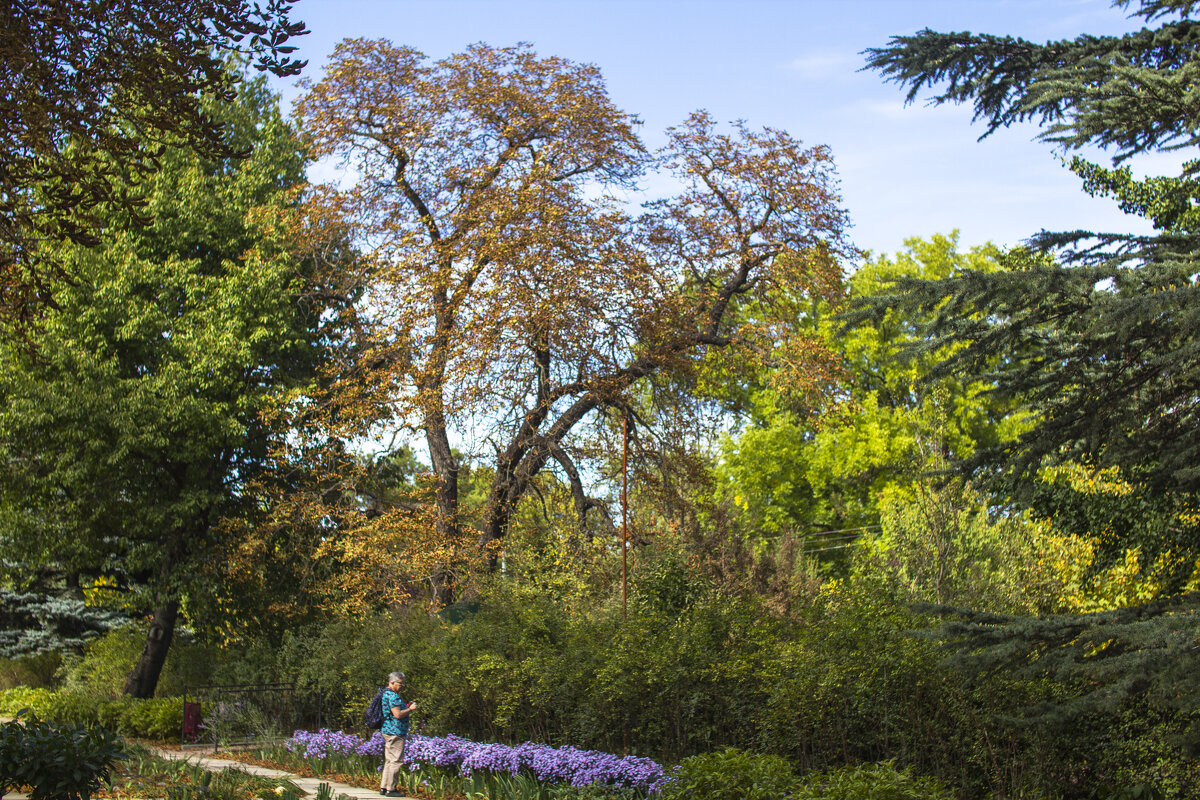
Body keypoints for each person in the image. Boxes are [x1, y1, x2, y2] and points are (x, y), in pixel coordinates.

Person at [379, 671, 418, 797]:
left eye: (403, 683)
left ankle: (384, 787)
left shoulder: (386, 693)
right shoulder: (393, 696)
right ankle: (391, 789)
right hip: (395, 731)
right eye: (400, 683)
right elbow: (398, 714)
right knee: (396, 761)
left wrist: (405, 706)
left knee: (389, 760)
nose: (403, 686)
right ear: (392, 682)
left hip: (388, 730)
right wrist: (410, 709)